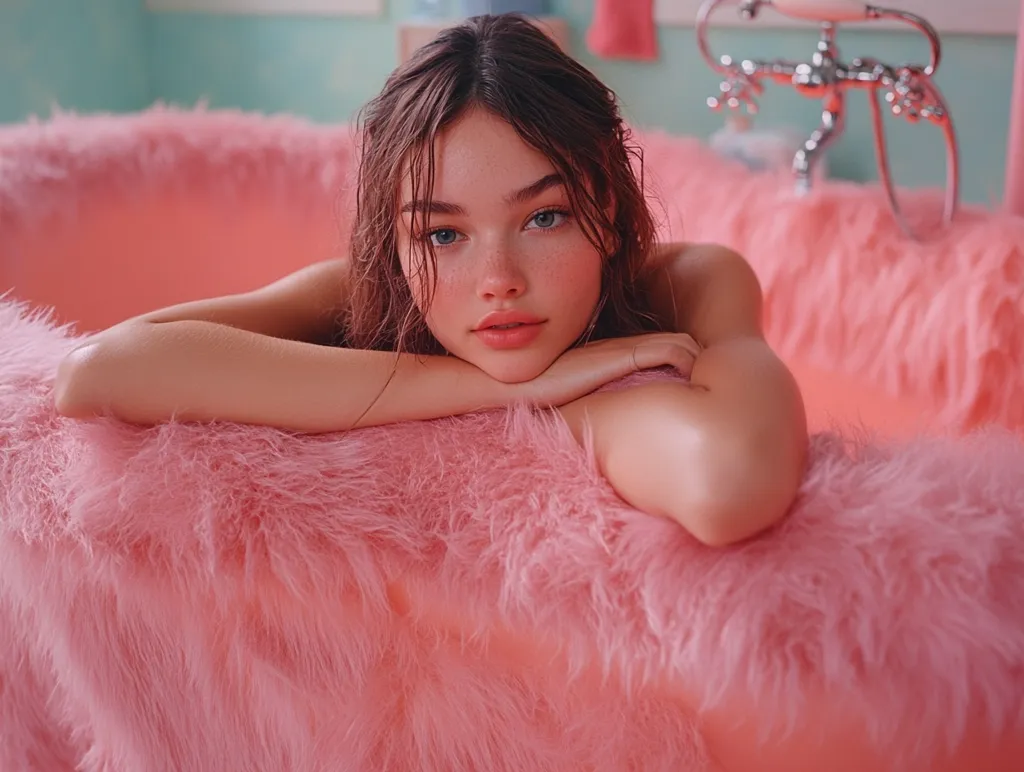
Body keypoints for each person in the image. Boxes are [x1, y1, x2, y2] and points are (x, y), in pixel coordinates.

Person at [53, 14, 807, 547]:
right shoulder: (359, 294)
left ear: (606, 211)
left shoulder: (689, 284)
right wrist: (513, 392)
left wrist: (570, 413)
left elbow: (731, 481)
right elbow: (97, 373)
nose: (498, 281)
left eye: (544, 218)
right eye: (443, 235)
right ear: (397, 240)